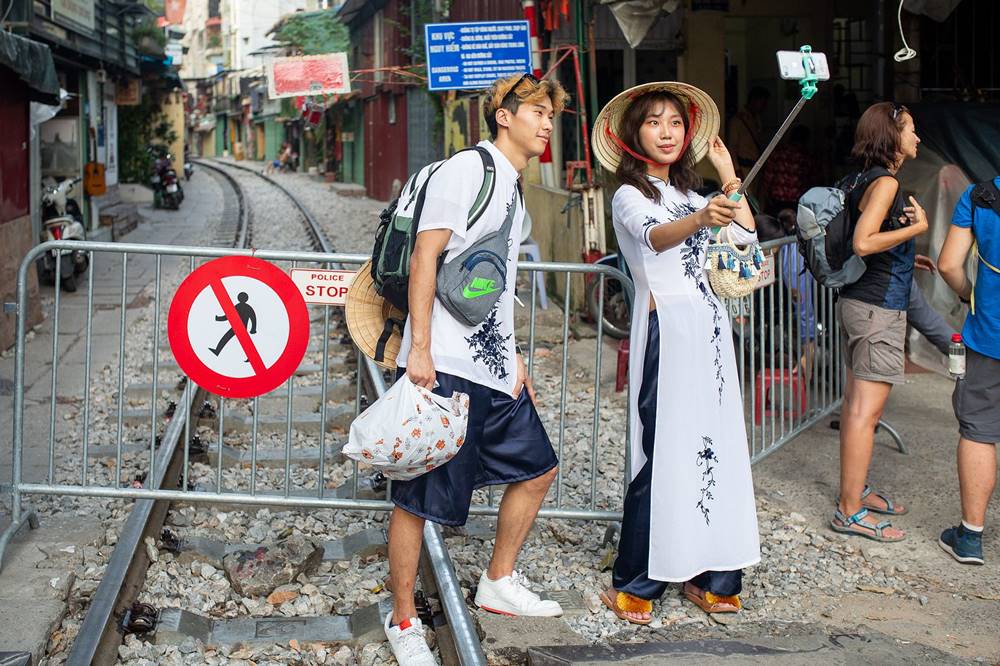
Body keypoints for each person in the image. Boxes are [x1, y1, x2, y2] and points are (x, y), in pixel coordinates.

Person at [384, 73, 568, 665]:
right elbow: (425, 256)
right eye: (536, 111)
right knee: (419, 496)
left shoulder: (514, 187)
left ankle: (497, 581)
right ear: (503, 115)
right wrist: (420, 351)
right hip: (447, 365)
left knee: (538, 467)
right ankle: (405, 619)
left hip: (491, 367)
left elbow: (496, 286)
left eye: (551, 114)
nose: (546, 123)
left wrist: (512, 355)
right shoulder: (467, 172)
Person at [591, 82, 760, 625]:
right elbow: (655, 239)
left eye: (675, 124)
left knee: (718, 445)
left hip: (710, 332)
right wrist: (703, 218)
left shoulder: (694, 193)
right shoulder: (629, 195)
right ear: (632, 135)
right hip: (665, 329)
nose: (667, 132)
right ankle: (636, 579)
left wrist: (729, 172)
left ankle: (713, 573)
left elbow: (747, 238)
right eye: (654, 122)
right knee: (663, 450)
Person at [832, 102, 928, 542]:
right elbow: (864, 242)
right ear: (893, 136)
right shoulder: (886, 181)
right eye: (911, 130)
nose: (917, 138)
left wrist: (908, 250)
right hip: (877, 310)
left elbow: (870, 240)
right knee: (862, 416)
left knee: (856, 409)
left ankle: (855, 492)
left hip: (858, 302)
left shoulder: (862, 177)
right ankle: (849, 511)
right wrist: (914, 230)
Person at [936, 175, 1000, 565]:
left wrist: (968, 292)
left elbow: (948, 264)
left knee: (979, 430)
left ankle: (971, 537)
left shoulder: (981, 196)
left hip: (989, 335)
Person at [761, 125, 819, 215]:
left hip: (776, 199)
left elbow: (768, 176)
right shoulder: (807, 156)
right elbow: (813, 179)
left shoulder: (778, 152)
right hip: (797, 201)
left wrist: (766, 195)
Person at [728, 86, 769, 181]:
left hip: (756, 168)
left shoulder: (757, 119)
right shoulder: (738, 120)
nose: (764, 106)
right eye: (762, 103)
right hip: (744, 169)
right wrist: (737, 171)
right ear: (754, 100)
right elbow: (732, 148)